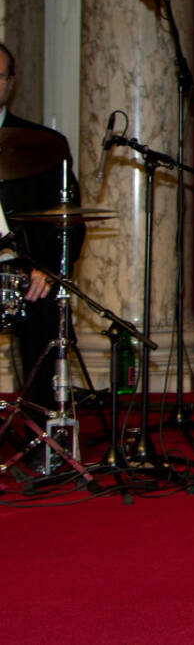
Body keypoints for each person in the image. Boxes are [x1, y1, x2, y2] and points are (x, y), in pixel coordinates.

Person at [0, 41, 76, 414]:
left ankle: (42, 429)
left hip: (24, 270)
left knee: (45, 304)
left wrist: (48, 269)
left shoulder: (43, 145)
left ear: (10, 83)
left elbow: (69, 223)